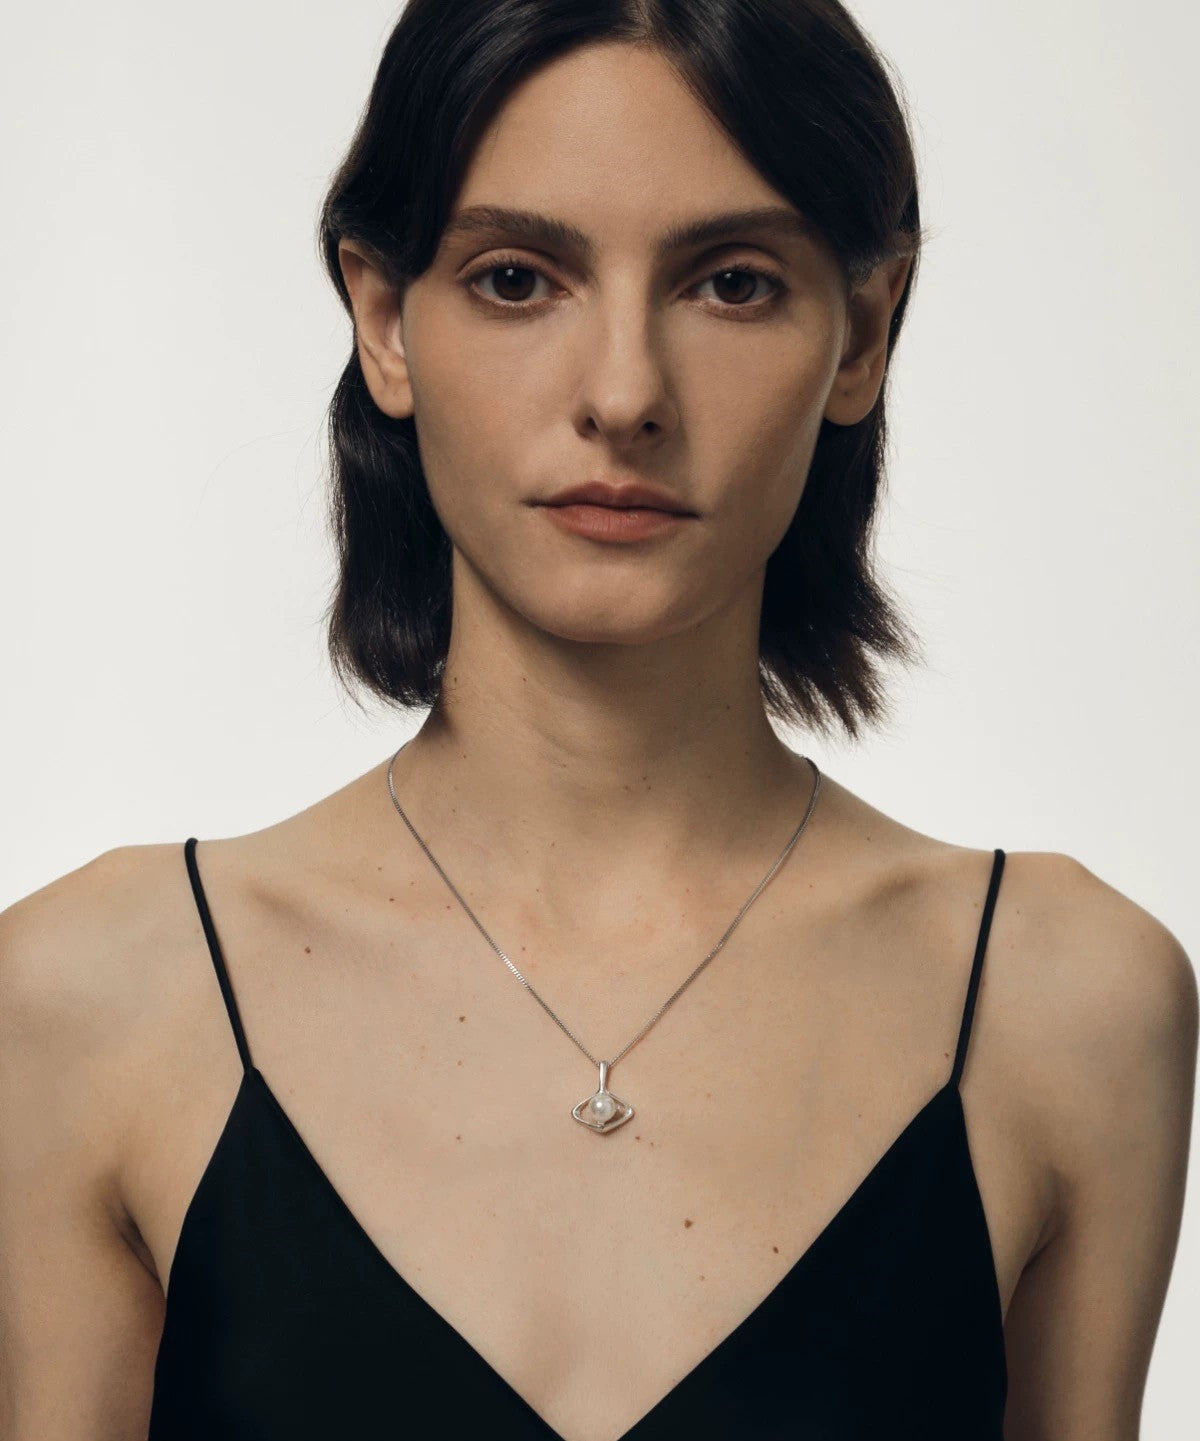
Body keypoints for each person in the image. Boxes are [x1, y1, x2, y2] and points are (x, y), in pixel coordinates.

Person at [1, 2, 1195, 1437]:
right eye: (518, 278)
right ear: (384, 318)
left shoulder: (1063, 1008)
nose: (623, 393)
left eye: (733, 283)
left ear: (865, 334)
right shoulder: (93, 1005)